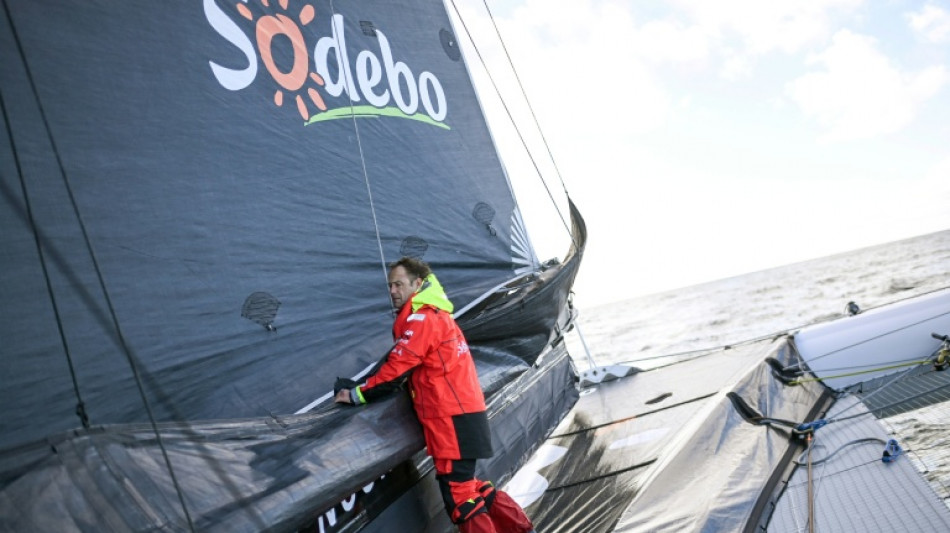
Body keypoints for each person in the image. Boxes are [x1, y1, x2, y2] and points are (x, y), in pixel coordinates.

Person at [335, 257, 535, 533]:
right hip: (460, 416)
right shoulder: (436, 314)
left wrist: (355, 394)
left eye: (399, 284)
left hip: (452, 419)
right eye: (390, 285)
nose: (392, 291)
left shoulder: (424, 318)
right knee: (469, 486)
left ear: (418, 284)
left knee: (460, 498)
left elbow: (396, 369)